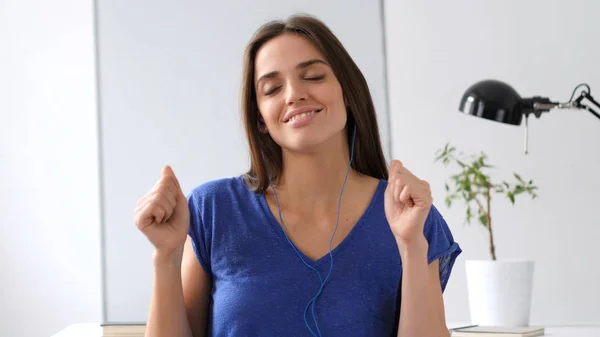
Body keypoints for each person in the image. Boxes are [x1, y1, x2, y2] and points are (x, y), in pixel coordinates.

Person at [134, 13, 461, 337]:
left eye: (314, 76)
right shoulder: (214, 210)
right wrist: (166, 256)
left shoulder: (410, 215)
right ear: (260, 118)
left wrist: (412, 247)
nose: (293, 94)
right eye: (272, 88)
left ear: (347, 92)